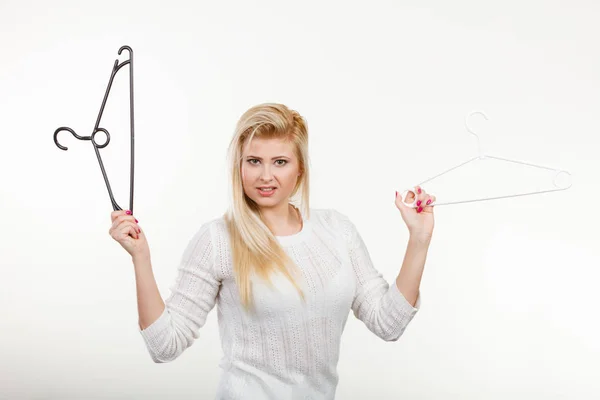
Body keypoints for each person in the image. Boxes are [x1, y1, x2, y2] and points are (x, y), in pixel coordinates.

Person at [109, 103, 436, 399]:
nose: (266, 176)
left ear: (300, 170)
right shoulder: (219, 239)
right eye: (254, 161)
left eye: (280, 162)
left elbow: (388, 323)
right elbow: (165, 345)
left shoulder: (337, 230)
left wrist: (418, 239)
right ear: (239, 168)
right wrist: (141, 258)